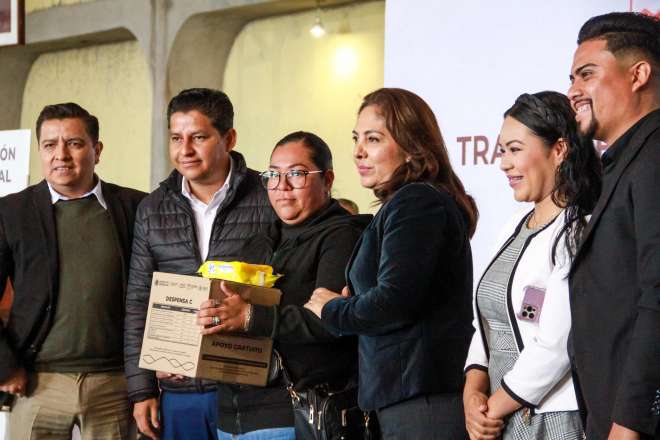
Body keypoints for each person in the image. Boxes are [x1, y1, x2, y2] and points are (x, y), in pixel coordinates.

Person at [305, 87, 478, 440]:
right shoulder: (409, 202)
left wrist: (333, 309)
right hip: (408, 400)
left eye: (373, 139)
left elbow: (394, 301)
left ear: (412, 146)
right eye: (356, 138)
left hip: (422, 403)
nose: (358, 151)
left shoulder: (416, 202)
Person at [196, 131, 370, 440]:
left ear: (327, 180)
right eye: (273, 175)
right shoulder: (259, 242)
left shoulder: (343, 237)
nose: (282, 186)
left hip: (296, 413)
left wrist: (250, 316)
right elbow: (235, 317)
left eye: (297, 174)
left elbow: (332, 320)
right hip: (233, 418)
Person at [124, 88, 276, 440]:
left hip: (252, 388)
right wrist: (141, 388)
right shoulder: (152, 208)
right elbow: (138, 300)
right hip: (181, 391)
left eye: (199, 137)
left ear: (229, 139)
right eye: (176, 138)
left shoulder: (269, 197)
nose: (185, 150)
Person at [0, 102, 145, 439]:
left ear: (97, 150)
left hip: (116, 384)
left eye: (74, 143)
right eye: (50, 145)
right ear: (40, 150)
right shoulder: (11, 212)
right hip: (36, 384)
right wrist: (4, 365)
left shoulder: (136, 208)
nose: (61, 155)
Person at [463, 91, 601, 440]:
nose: (503, 163)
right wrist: (471, 392)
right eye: (501, 151)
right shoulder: (512, 226)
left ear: (559, 149)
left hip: (549, 419)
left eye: (515, 149)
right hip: (499, 418)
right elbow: (486, 324)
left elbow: (556, 345)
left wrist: (490, 409)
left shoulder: (578, 230)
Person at [567, 12, 660, 440]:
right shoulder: (625, 162)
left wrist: (630, 421)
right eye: (572, 78)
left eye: (587, 74)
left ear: (638, 74)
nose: (573, 91)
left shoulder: (655, 157)